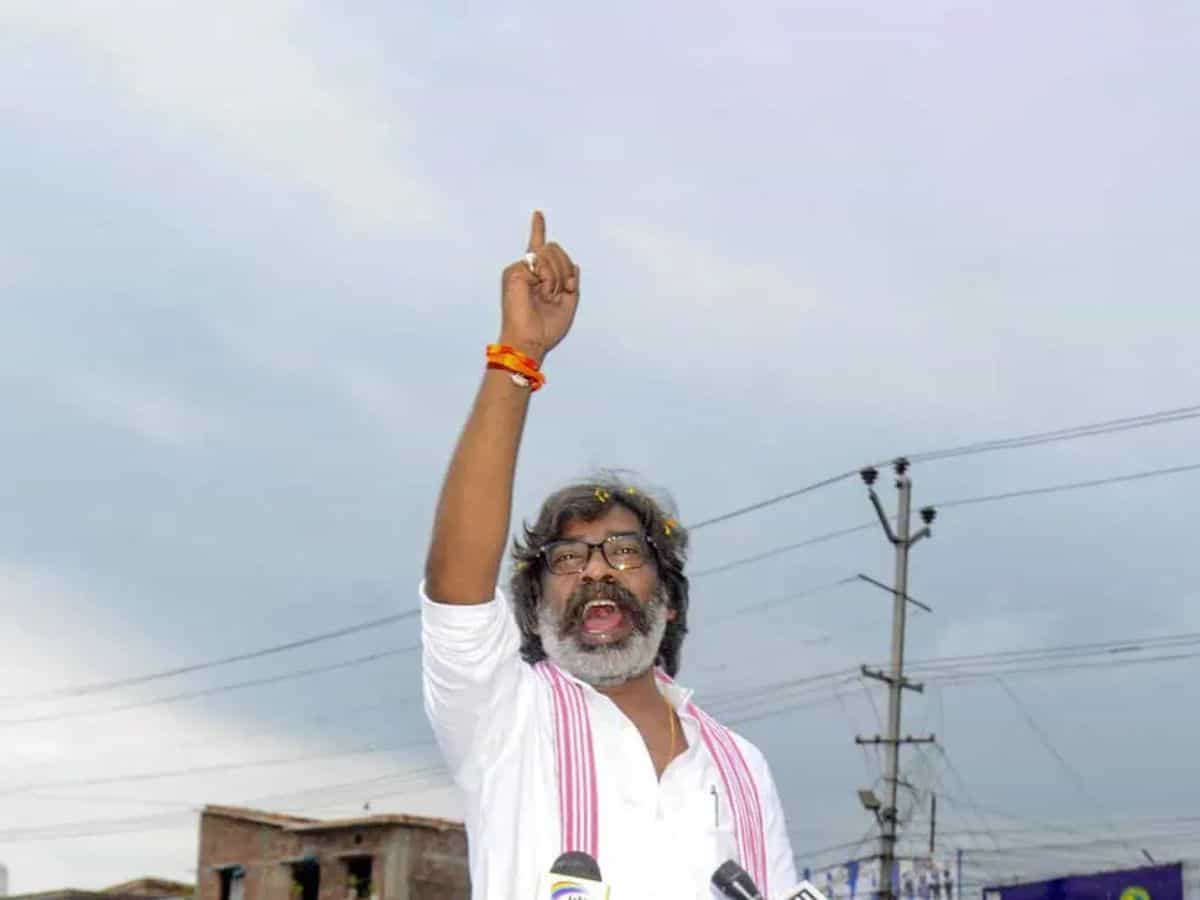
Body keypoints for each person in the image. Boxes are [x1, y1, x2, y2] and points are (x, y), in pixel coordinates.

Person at [422, 211, 797, 899]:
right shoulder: (506, 719)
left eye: (624, 552)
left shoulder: (742, 767)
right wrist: (517, 357)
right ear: (533, 611)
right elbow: (456, 589)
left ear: (670, 598)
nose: (596, 569)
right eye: (567, 560)